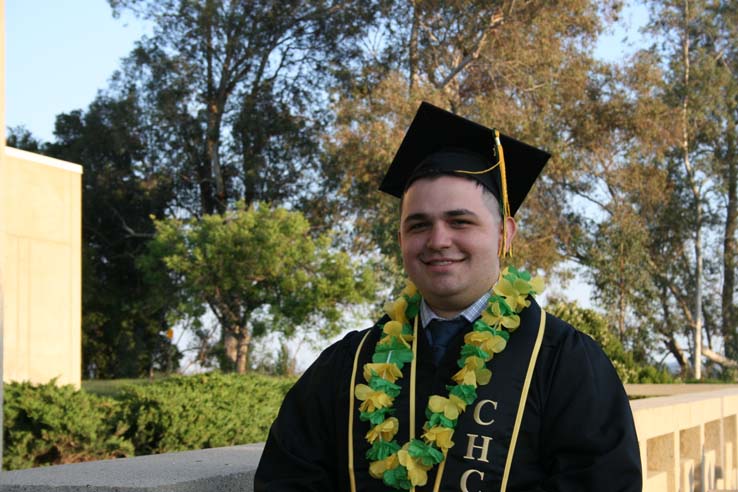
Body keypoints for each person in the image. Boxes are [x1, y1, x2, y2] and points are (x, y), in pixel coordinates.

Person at [255, 102, 642, 491]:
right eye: (419, 225)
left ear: (505, 234)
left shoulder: (565, 363)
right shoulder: (348, 367)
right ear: (402, 239)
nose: (438, 241)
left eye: (460, 221)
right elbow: (287, 477)